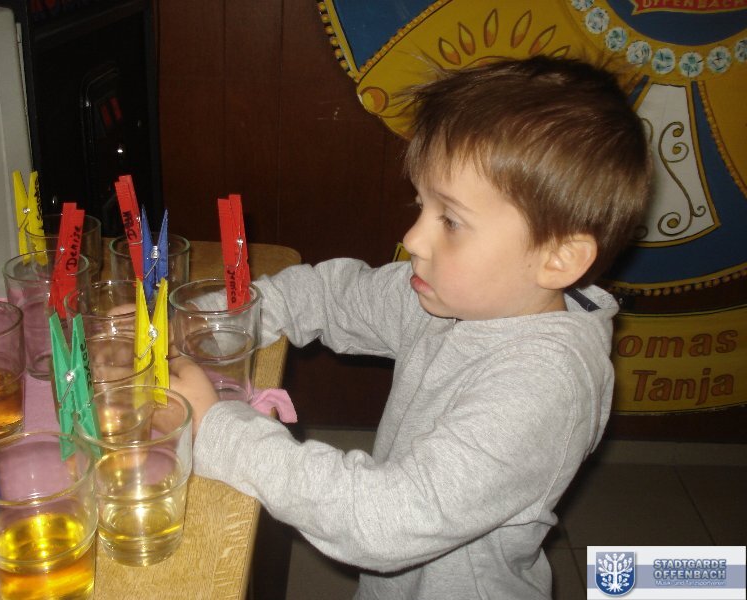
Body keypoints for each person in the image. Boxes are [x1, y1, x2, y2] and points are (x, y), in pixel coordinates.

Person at [170, 55, 652, 599]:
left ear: (557, 259)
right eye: (421, 205)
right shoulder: (454, 295)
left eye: (451, 220)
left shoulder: (543, 387)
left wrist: (219, 428)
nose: (414, 238)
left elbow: (383, 521)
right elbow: (331, 295)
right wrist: (202, 320)